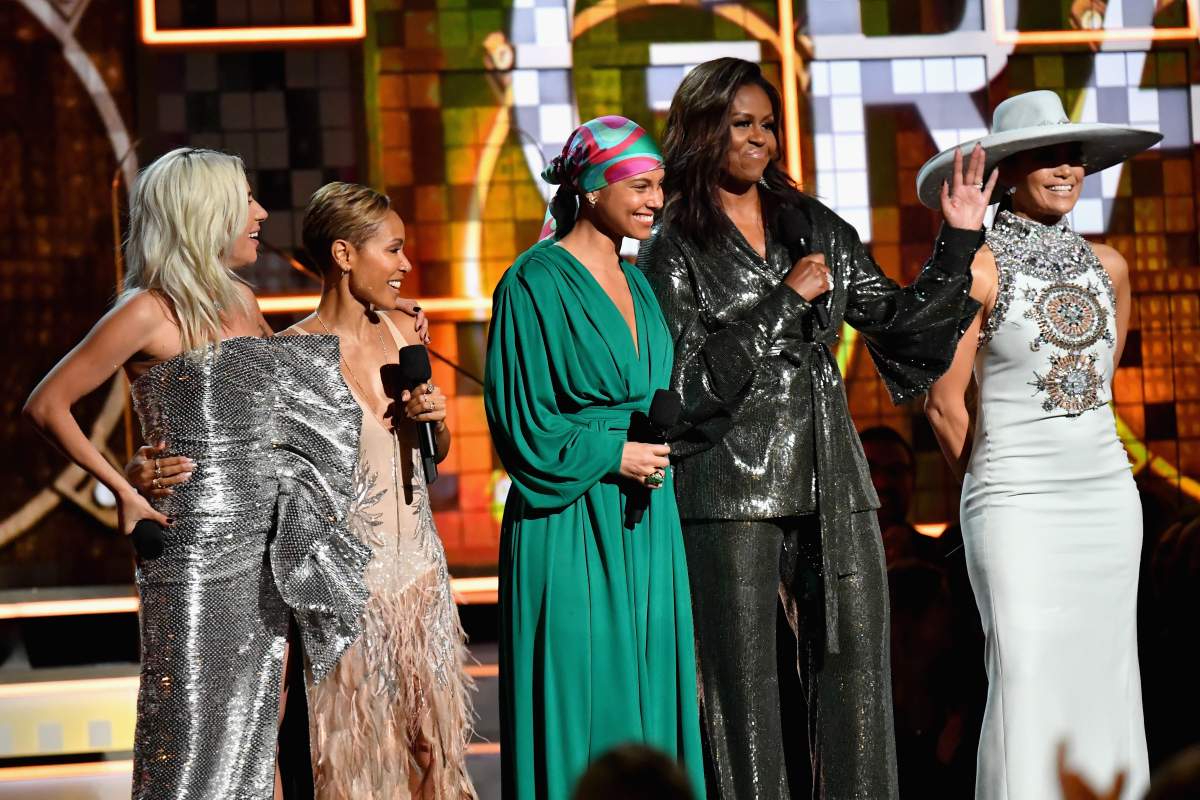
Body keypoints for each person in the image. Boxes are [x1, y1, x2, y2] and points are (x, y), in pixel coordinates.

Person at [637, 57, 992, 798]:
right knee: (742, 694)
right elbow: (683, 388)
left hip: (832, 473)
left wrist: (956, 242)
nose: (760, 140)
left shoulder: (811, 225)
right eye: (742, 125)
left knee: (858, 673)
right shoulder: (673, 243)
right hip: (725, 487)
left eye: (768, 125)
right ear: (705, 131)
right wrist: (781, 302)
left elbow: (901, 327)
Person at [22, 148, 371, 800]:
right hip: (195, 555)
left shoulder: (242, 296)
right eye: (245, 201)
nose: (261, 213)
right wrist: (126, 488)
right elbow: (48, 404)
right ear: (203, 213)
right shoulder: (147, 310)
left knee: (263, 725)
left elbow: (271, 405)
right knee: (195, 736)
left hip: (271, 545)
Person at [128, 182, 474, 798]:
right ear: (344, 256)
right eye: (393, 250)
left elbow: (432, 458)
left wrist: (436, 422)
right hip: (347, 595)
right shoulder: (290, 356)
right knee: (363, 767)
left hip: (421, 581)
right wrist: (142, 473)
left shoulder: (406, 333)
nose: (405, 265)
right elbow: (238, 464)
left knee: (435, 758)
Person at [921, 89, 1160, 800]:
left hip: (1107, 506)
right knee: (1025, 675)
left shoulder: (1110, 267)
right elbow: (943, 403)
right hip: (1015, 503)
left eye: (1075, 157)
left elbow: (1094, 394)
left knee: (1106, 675)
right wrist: (990, 490)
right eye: (1047, 156)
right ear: (1010, 169)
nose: (1066, 169)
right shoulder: (979, 266)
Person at [485, 116, 705, 799]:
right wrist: (613, 453)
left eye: (659, 187)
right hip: (570, 517)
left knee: (651, 696)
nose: (653, 200)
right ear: (590, 186)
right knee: (586, 697)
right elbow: (520, 423)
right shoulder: (534, 281)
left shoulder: (639, 283)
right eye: (639, 185)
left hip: (646, 518)